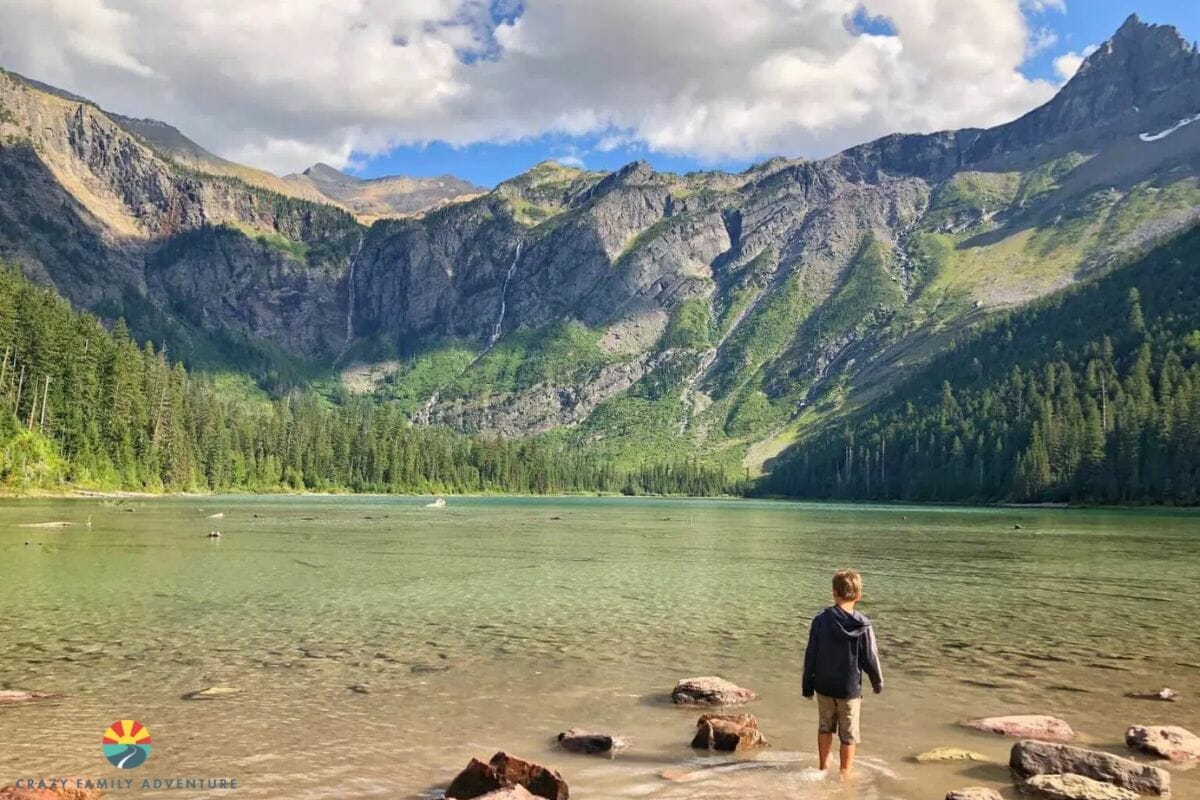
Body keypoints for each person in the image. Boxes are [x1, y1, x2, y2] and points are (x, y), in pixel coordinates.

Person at [802, 568, 884, 779]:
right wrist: (877, 682)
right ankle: (845, 773)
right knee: (848, 735)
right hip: (849, 690)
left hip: (824, 685)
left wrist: (807, 684)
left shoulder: (820, 620)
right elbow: (870, 658)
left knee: (825, 727)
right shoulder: (863, 625)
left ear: (833, 593)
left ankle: (822, 768)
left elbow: (811, 654)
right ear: (858, 595)